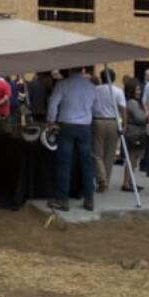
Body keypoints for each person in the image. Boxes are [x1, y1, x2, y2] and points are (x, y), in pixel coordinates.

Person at [46, 66, 102, 212]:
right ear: (82, 70)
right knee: (86, 163)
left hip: (67, 125)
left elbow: (53, 103)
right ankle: (89, 198)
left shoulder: (62, 84)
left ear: (70, 70)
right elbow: (97, 109)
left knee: (64, 163)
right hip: (84, 126)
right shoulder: (91, 87)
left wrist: (51, 121)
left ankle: (62, 199)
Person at [91, 68, 126, 192]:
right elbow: (123, 109)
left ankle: (102, 179)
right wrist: (124, 125)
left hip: (98, 121)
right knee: (110, 154)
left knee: (97, 153)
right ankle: (106, 180)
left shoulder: (95, 90)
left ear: (102, 78)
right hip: (113, 121)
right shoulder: (118, 91)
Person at [121, 80, 148, 193]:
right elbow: (140, 118)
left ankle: (130, 181)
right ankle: (127, 182)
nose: (139, 91)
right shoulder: (132, 102)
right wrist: (147, 113)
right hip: (134, 133)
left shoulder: (134, 102)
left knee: (134, 159)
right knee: (131, 158)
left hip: (136, 132)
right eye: (137, 89)